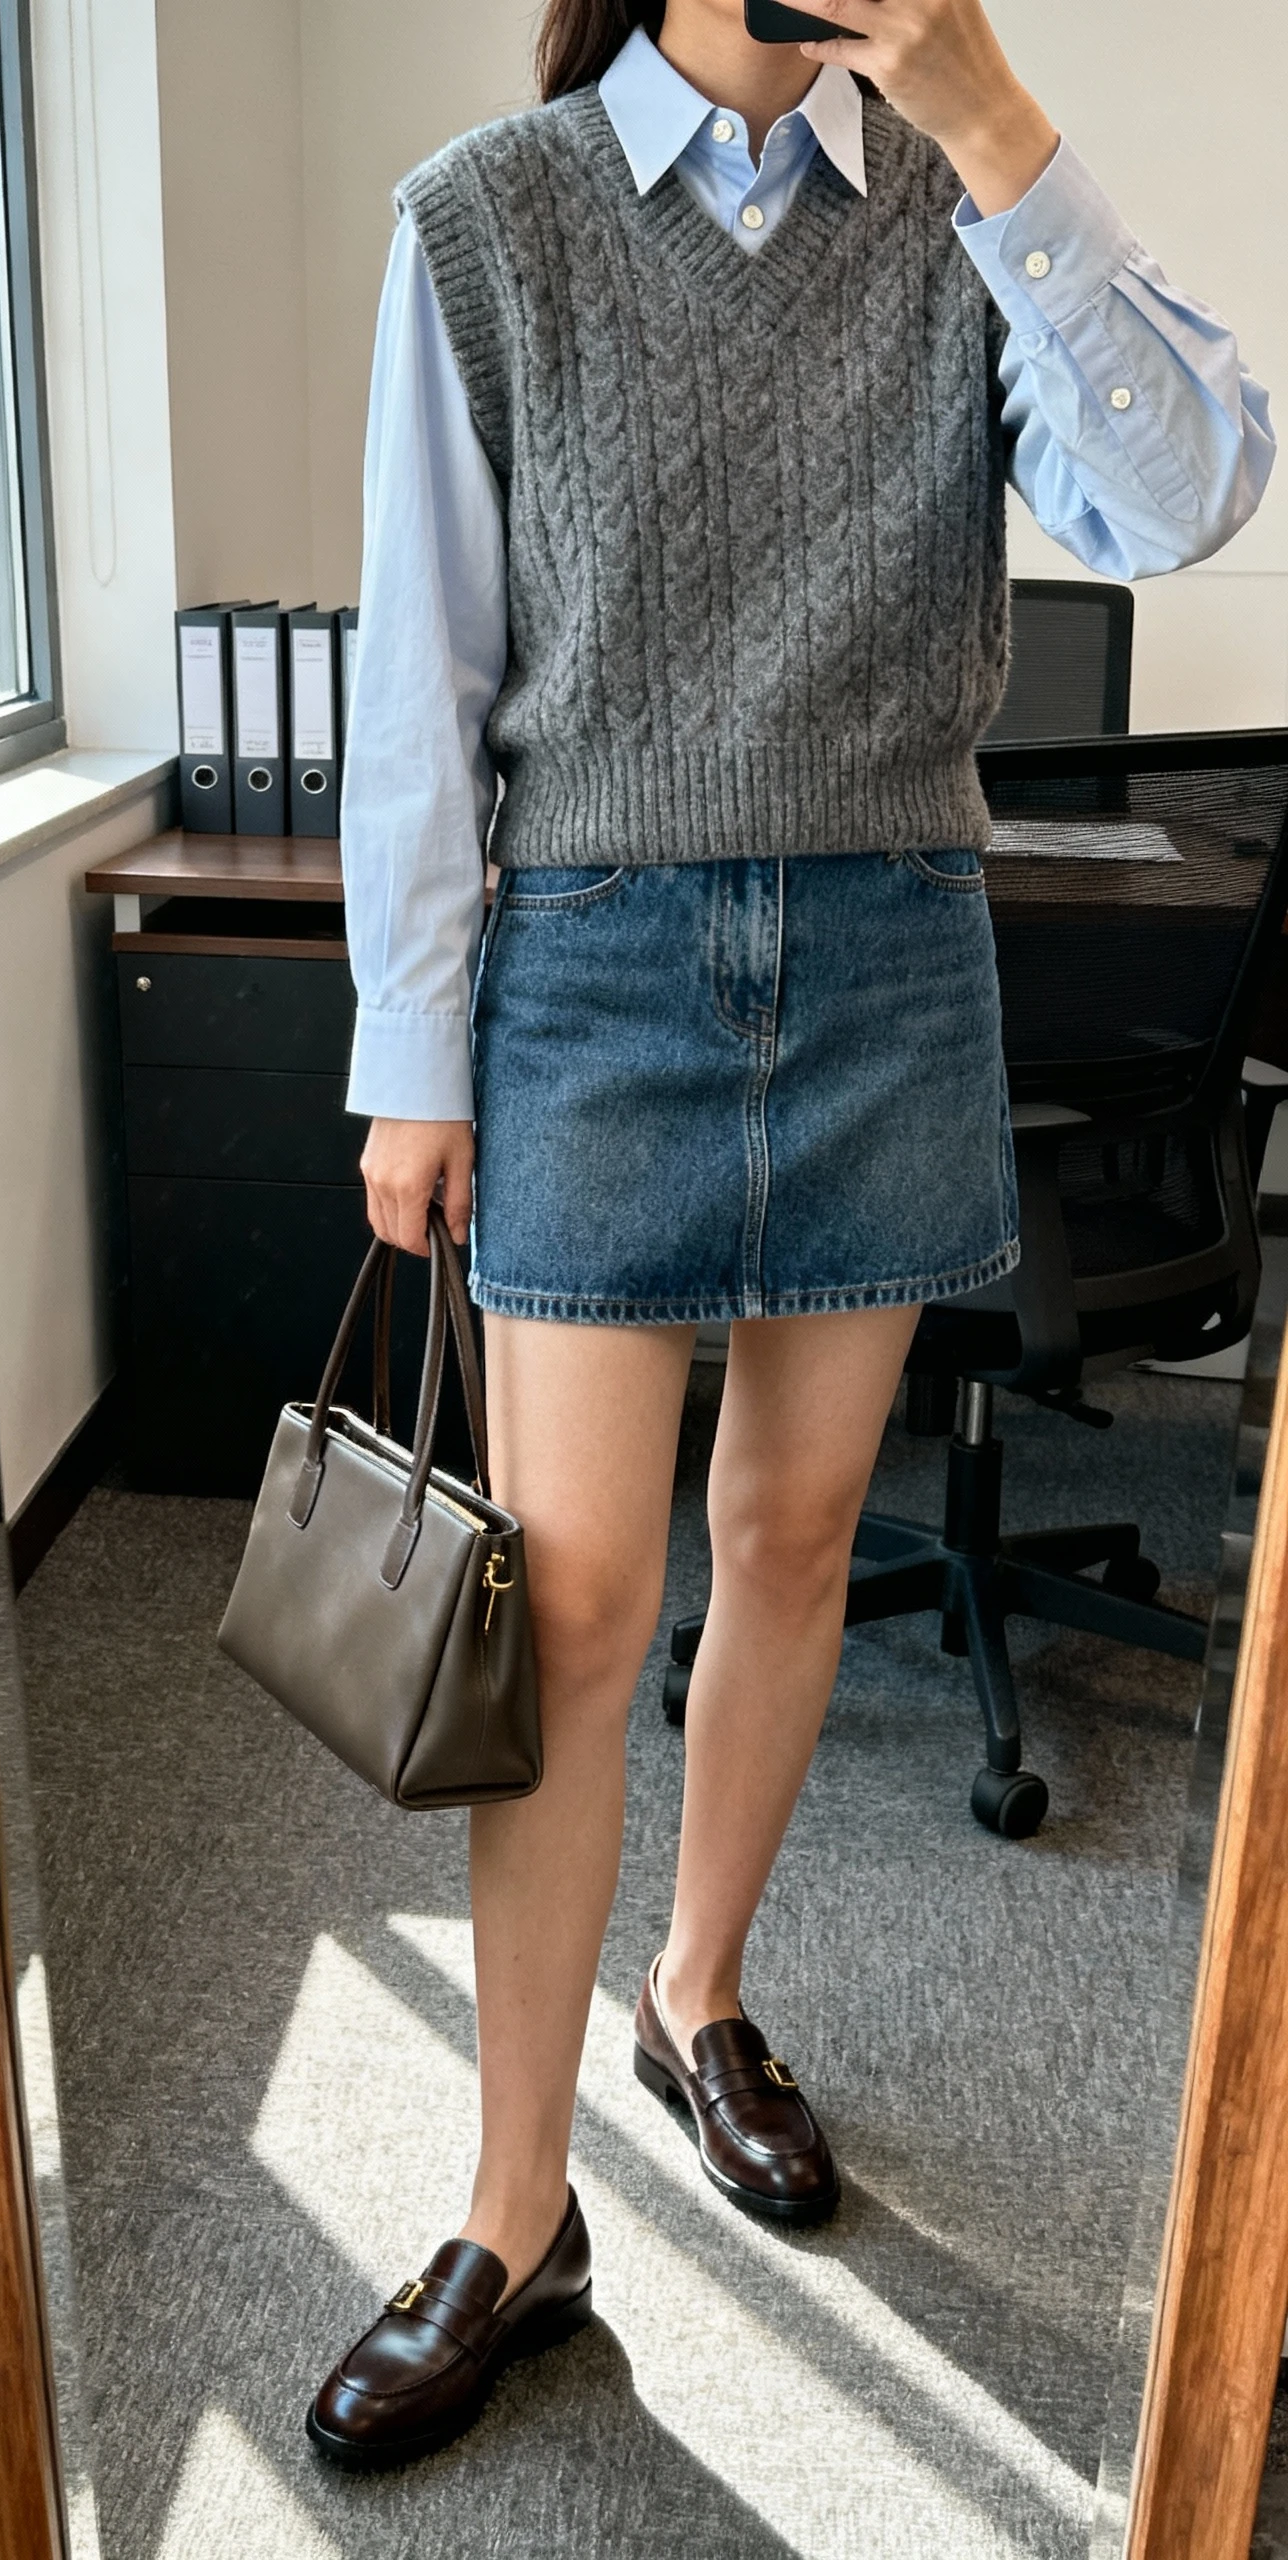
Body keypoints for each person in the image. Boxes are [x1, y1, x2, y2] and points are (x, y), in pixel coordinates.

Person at [308, 0, 1274, 2470]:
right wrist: (411, 1050)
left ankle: (699, 1989)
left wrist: (990, 111)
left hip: (882, 948)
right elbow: (420, 669)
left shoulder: (964, 199)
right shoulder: (489, 220)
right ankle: (516, 2209)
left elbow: (1183, 502)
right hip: (595, 966)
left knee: (801, 1526)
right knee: (584, 1586)